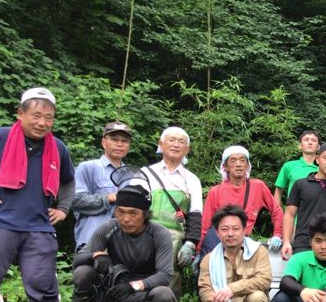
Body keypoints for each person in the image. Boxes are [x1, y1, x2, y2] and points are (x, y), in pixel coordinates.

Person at [0, 87, 75, 302]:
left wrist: (62, 208)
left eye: (49, 117)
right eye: (36, 115)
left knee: (44, 287)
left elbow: (69, 181)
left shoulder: (58, 148)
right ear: (20, 114)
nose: (42, 123)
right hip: (0, 222)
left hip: (39, 227)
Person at [71, 185, 177, 302]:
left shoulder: (160, 234)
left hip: (142, 295)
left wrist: (132, 286)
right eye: (121, 212)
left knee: (164, 295)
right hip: (111, 293)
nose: (126, 219)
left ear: (146, 214)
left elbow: (165, 275)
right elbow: (78, 260)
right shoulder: (109, 227)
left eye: (133, 213)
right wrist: (96, 256)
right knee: (83, 272)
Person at [192, 205, 272, 302]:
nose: (230, 234)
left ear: (244, 230)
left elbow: (264, 280)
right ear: (217, 232)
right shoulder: (209, 259)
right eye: (224, 229)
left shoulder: (259, 252)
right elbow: (205, 290)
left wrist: (232, 289)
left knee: (257, 298)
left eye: (235, 229)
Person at [140, 126, 203, 282]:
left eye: (181, 142)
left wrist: (190, 243)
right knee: (140, 276)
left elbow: (196, 214)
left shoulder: (191, 180)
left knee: (169, 282)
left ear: (187, 149)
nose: (176, 144)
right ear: (161, 144)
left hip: (174, 240)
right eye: (172, 140)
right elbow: (133, 208)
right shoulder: (145, 173)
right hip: (143, 234)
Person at [199, 145, 283, 255]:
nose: (238, 164)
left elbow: (277, 212)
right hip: (217, 244)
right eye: (233, 161)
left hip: (243, 244)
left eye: (242, 160)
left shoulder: (258, 187)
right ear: (226, 167)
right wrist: (198, 250)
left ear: (247, 165)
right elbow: (205, 226)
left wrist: (277, 234)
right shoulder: (216, 191)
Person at [282, 142, 326, 261]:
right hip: (304, 245)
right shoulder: (301, 185)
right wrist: (286, 242)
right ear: (317, 159)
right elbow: (290, 214)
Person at [72, 121, 132, 249]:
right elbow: (74, 200)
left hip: (124, 245)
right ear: (103, 142)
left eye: (124, 141)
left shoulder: (133, 175)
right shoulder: (87, 168)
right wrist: (109, 198)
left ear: (129, 146)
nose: (119, 144)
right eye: (114, 139)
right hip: (91, 241)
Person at [273, 129, 319, 209]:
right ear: (300, 145)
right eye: (306, 139)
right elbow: (278, 191)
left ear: (318, 147)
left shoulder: (323, 170)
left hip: (317, 219)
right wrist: (279, 216)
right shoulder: (289, 166)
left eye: (314, 140)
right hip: (292, 219)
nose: (310, 142)